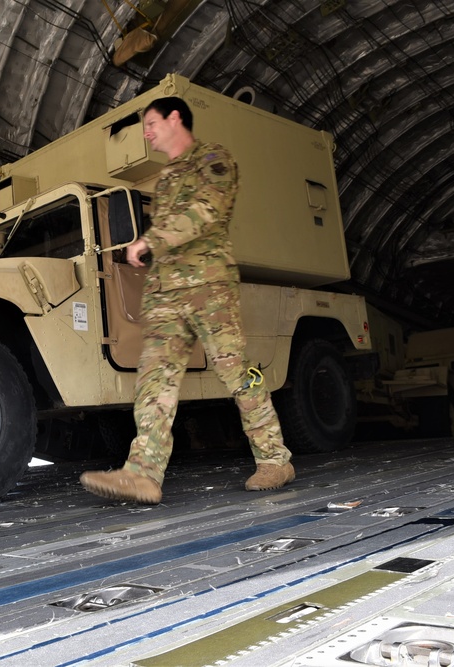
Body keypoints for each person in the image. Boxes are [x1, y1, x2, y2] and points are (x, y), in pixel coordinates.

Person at [80, 96, 294, 505]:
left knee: (236, 373)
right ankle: (142, 473)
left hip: (208, 287)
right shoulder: (165, 178)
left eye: (151, 122)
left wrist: (151, 239)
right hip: (166, 294)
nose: (146, 131)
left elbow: (207, 210)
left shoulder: (213, 158)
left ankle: (274, 458)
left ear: (175, 118)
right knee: (154, 379)